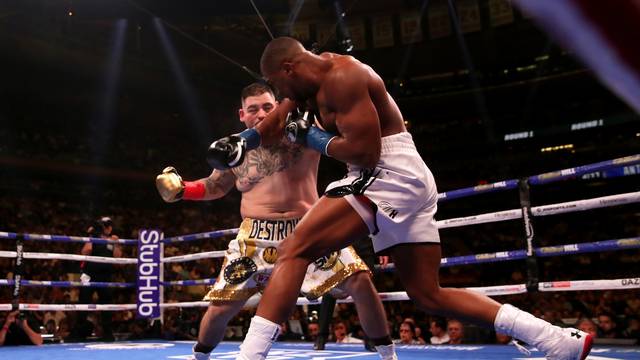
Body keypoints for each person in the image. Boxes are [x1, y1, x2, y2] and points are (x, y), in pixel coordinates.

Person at [206, 37, 594, 360]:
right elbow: (277, 121)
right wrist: (241, 142)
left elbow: (365, 152)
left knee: (294, 250)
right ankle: (556, 340)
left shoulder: (344, 76)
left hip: (387, 171)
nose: (280, 97)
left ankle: (250, 356)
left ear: (288, 69)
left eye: (278, 86)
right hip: (393, 177)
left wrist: (313, 139)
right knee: (428, 294)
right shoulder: (305, 85)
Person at [156, 82, 397, 360]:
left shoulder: (303, 132)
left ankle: (388, 355)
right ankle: (200, 356)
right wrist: (184, 189)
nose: (261, 114)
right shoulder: (235, 146)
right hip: (254, 237)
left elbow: (335, 115)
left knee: (360, 280)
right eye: (253, 109)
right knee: (222, 307)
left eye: (268, 107)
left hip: (308, 229)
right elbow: (216, 185)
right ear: (242, 114)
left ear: (279, 108)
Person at [75, 216, 121, 340]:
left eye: (106, 226)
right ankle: (79, 333)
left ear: (110, 227)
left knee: (106, 305)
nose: (104, 228)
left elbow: (117, 258)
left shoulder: (113, 239)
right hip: (90, 274)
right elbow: (85, 251)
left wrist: (115, 244)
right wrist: (91, 237)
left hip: (105, 275)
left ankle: (107, 334)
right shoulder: (94, 237)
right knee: (83, 302)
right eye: (102, 226)